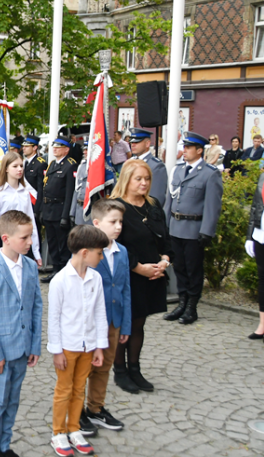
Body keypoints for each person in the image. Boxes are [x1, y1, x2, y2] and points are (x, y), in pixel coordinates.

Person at [0, 210, 42, 457]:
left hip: (22, 348)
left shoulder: (30, 267)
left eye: (31, 236)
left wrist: (35, 345)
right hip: (0, 352)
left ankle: (5, 445)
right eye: (24, 238)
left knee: (12, 400)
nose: (30, 242)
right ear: (6, 238)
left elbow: (36, 306)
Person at [47, 225, 109, 457]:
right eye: (99, 253)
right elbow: (53, 318)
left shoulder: (96, 278)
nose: (101, 257)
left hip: (89, 345)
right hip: (67, 347)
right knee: (64, 389)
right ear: (85, 252)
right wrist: (57, 351)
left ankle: (74, 428)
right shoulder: (60, 281)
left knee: (79, 388)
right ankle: (58, 432)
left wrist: (100, 347)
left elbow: (100, 313)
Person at [111, 159, 172, 394]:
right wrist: (139, 268)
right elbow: (114, 246)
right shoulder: (117, 207)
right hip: (128, 276)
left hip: (153, 275)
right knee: (124, 324)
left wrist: (164, 262)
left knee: (140, 323)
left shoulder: (154, 206)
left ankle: (135, 369)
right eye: (139, 179)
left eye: (147, 179)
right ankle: (120, 371)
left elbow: (165, 240)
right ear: (127, 179)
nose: (144, 183)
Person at [80, 199, 131, 435]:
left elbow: (125, 290)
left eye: (121, 221)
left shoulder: (122, 252)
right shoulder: (87, 253)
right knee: (84, 367)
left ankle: (96, 408)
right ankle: (77, 409)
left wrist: (126, 325)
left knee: (104, 367)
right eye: (113, 222)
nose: (118, 226)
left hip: (113, 322)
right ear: (97, 223)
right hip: (90, 324)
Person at [164, 132, 223, 325]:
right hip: (175, 227)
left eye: (189, 148)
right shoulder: (178, 170)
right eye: (185, 147)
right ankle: (182, 302)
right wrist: (165, 226)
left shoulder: (210, 173)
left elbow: (212, 206)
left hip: (194, 228)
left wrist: (207, 230)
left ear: (199, 150)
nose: (185, 151)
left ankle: (192, 307)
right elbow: (169, 200)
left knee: (193, 269)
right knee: (179, 267)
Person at [0, 152, 42, 265]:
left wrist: (36, 251)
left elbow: (30, 221)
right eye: (15, 166)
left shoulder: (25, 193)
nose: (19, 169)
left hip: (24, 244)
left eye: (21, 166)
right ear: (6, 168)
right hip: (6, 244)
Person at [41, 136, 77, 282]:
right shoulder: (52, 165)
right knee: (52, 242)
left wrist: (65, 215)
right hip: (49, 209)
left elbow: (69, 193)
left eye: (58, 146)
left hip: (60, 209)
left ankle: (63, 270)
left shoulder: (70, 165)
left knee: (62, 243)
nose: (54, 149)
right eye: (54, 146)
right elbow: (46, 189)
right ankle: (55, 269)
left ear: (66, 149)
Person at [246, 169, 264, 341]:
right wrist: (249, 236)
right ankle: (262, 324)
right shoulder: (263, 176)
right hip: (261, 235)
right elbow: (255, 207)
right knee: (263, 279)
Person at [128, 128, 168, 207]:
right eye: (132, 142)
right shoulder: (130, 162)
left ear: (147, 144)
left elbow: (156, 198)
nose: (133, 144)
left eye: (137, 142)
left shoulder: (156, 166)